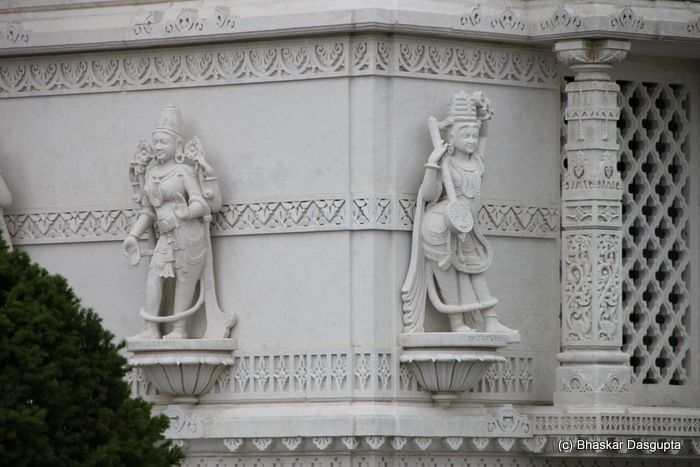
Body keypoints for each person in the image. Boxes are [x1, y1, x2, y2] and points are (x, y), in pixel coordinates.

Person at [401, 91, 518, 340]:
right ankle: (457, 323)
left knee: (475, 267)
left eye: (473, 135)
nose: (472, 139)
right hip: (440, 225)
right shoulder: (447, 163)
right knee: (450, 272)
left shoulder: (476, 161)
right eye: (466, 134)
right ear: (451, 136)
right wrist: (432, 165)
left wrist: (483, 115)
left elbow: (485, 135)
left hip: (465, 225)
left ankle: (492, 321)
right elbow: (429, 195)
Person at [123, 105, 234, 339]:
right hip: (167, 237)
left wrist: (186, 213)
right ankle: (151, 328)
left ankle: (179, 330)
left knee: (185, 280)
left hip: (188, 234)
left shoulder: (183, 171)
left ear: (178, 146)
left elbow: (201, 203)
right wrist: (133, 236)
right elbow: (147, 211)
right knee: (155, 276)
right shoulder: (153, 175)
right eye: (156, 142)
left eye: (163, 141)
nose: (158, 147)